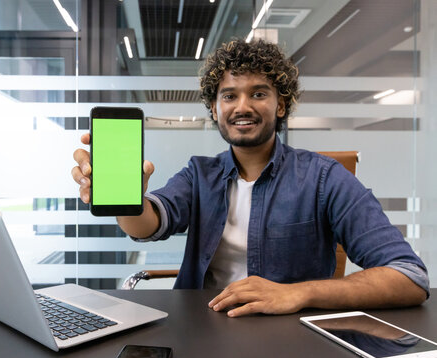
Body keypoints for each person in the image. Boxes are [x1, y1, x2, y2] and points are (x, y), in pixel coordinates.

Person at [72, 38, 429, 317]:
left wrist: (297, 293)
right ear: (215, 108)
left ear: (281, 104)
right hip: (201, 327)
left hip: (290, 335)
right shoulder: (200, 174)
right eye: (229, 95)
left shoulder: (324, 178)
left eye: (259, 93)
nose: (242, 106)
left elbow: (409, 277)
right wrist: (127, 196)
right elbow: (147, 225)